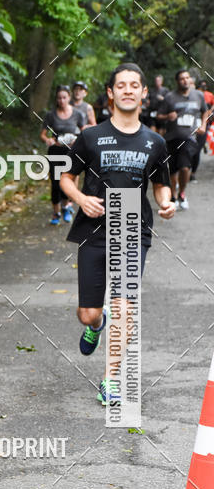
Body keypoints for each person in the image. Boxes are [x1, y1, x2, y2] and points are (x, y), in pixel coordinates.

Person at [60, 62, 175, 406]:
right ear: (111, 94)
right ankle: (97, 324)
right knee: (88, 313)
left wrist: (166, 204)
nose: (127, 89)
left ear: (143, 93)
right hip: (93, 232)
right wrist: (81, 199)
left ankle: (110, 379)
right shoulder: (91, 136)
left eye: (134, 85)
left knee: (125, 306)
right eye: (120, 85)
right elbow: (66, 177)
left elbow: (161, 186)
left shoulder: (155, 142)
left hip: (132, 229)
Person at [157, 69, 209, 209]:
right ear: (177, 81)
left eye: (187, 78)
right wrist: (168, 116)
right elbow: (158, 115)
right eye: (182, 78)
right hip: (172, 138)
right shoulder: (169, 97)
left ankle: (182, 193)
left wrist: (203, 125)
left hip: (189, 138)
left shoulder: (198, 95)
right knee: (172, 171)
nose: (185, 80)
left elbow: (205, 111)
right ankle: (173, 194)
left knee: (185, 167)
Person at [40, 85, 84, 225]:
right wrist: (48, 140)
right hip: (55, 152)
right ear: (56, 99)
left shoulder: (77, 114)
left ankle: (66, 207)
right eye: (59, 98)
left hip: (70, 152)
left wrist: (77, 140)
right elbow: (43, 134)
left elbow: (84, 132)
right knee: (55, 182)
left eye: (64, 97)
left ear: (69, 98)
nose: (62, 100)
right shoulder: (50, 115)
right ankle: (56, 212)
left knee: (67, 180)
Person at [193, 80, 214, 174]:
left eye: (205, 85)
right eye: (202, 85)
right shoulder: (194, 93)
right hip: (194, 121)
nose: (204, 86)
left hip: (205, 119)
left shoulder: (209, 95)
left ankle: (204, 142)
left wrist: (210, 111)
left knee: (205, 132)